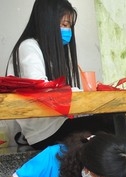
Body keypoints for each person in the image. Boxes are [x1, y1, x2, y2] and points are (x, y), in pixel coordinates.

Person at [6, 0, 112, 151]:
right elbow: (42, 90)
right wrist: (79, 93)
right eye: (63, 24)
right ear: (47, 24)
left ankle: (117, 174)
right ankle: (123, 175)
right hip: (43, 133)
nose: (67, 30)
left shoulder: (45, 51)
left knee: (115, 123)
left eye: (68, 25)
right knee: (112, 125)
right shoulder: (29, 47)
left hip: (55, 126)